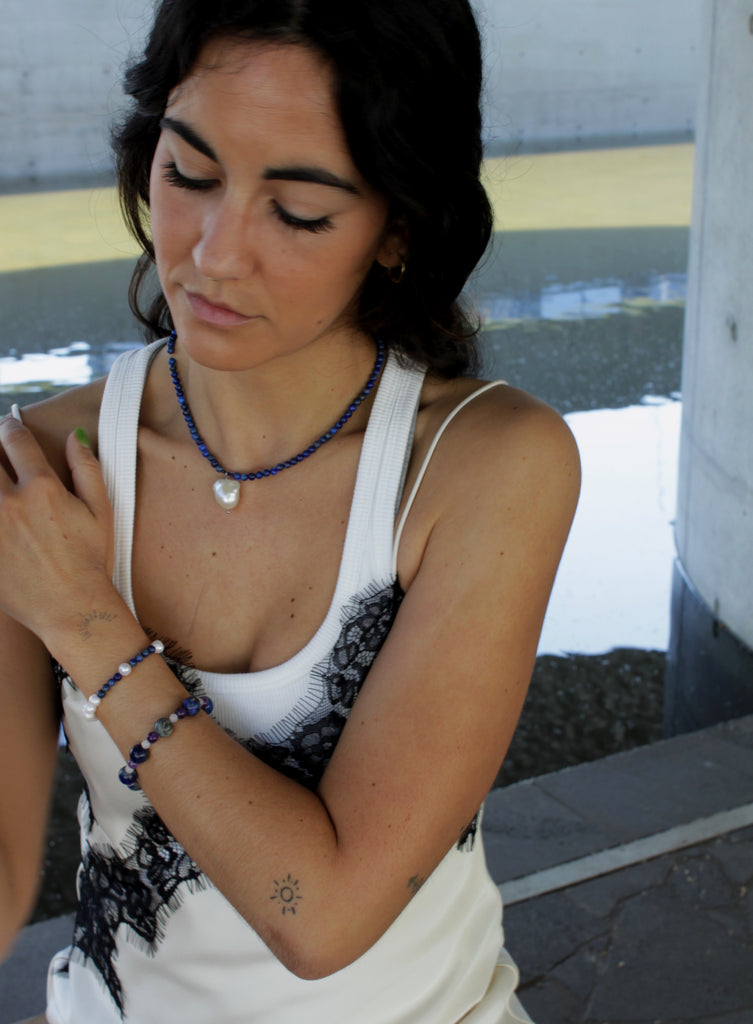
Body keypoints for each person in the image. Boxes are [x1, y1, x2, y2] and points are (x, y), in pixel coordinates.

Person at [0, 1, 579, 1021]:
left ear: (399, 225)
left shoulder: (485, 468)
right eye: (189, 174)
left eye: (298, 211)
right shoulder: (46, 469)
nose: (215, 255)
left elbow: (320, 914)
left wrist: (86, 623)